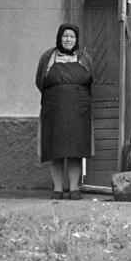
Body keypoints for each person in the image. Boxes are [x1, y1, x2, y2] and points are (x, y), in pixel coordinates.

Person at [36, 23, 95, 199]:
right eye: (65, 36)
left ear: (76, 39)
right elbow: (40, 81)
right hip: (53, 110)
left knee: (75, 151)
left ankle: (75, 189)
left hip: (79, 111)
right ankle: (58, 189)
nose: (68, 39)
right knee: (56, 150)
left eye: (72, 36)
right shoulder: (48, 57)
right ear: (59, 38)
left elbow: (91, 81)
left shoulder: (85, 58)